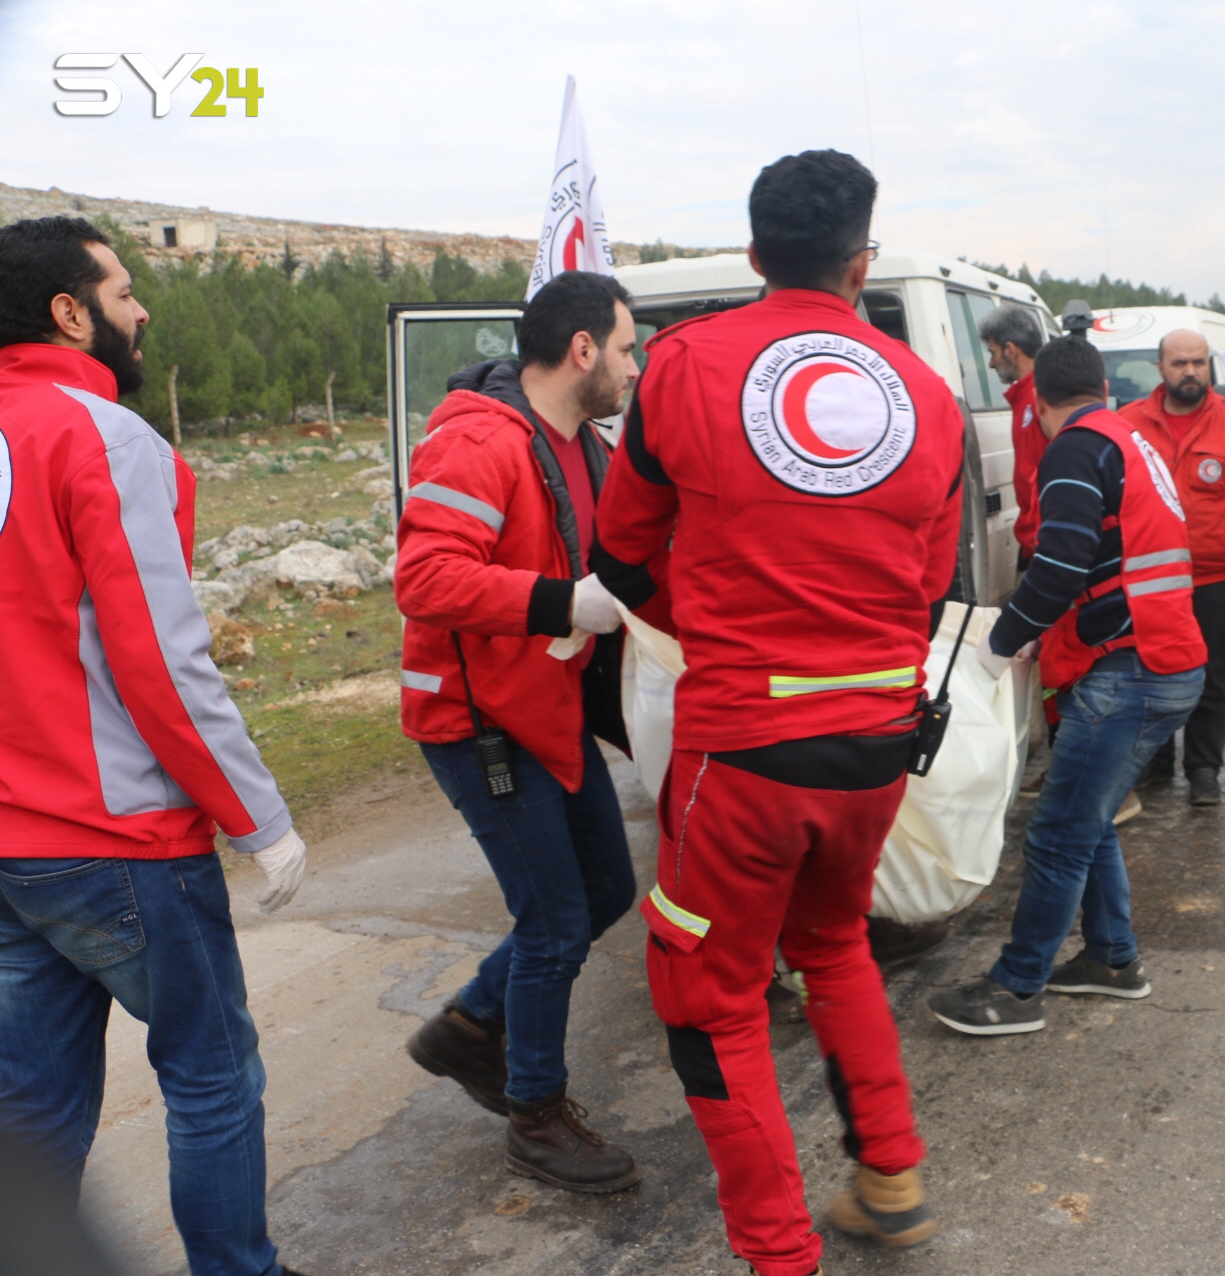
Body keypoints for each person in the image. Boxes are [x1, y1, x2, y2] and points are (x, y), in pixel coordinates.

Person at [592, 149, 962, 1276]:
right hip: (876, 743)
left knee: (706, 990)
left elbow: (620, 552)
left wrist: (710, 628)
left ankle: (777, 1252)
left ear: (754, 256)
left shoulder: (685, 365)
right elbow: (932, 580)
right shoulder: (931, 397)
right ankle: (890, 1175)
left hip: (747, 746)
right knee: (835, 937)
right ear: (863, 261)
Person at [0, 216, 310, 1275]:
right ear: (70, 311)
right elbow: (162, 662)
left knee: (29, 1107)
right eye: (125, 292)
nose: (142, 311)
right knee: (213, 1075)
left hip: (9, 849)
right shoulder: (103, 436)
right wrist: (260, 819)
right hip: (121, 840)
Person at [394, 269, 644, 1194]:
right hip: (479, 723)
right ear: (581, 349)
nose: (633, 365)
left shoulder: (584, 445)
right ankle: (535, 1117)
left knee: (606, 888)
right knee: (553, 922)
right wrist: (557, 601)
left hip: (547, 710)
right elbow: (425, 580)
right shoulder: (479, 442)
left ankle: (465, 1029)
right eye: (625, 348)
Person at [927, 334, 1206, 1036]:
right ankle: (1113, 961)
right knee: (1093, 817)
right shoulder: (1130, 438)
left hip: (1132, 668)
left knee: (1056, 831)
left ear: (1041, 402)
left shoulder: (1076, 448)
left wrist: (995, 648)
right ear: (1104, 390)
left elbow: (1059, 569)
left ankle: (1017, 989)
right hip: (1165, 659)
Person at [1121, 328, 1225, 806]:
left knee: (1213, 677)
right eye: (1179, 363)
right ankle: (1152, 764)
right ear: (1160, 369)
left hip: (1216, 579)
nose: (1190, 371)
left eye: (1198, 362)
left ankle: (1203, 770)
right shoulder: (1129, 423)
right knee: (1150, 672)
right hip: (1150, 581)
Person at [981, 303, 1044, 561]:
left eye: (993, 352)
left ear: (1010, 349)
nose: (991, 363)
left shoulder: (1040, 398)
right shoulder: (1026, 397)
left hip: (1041, 539)